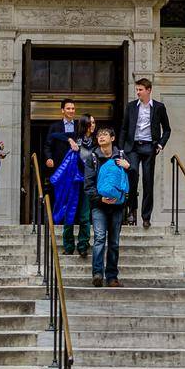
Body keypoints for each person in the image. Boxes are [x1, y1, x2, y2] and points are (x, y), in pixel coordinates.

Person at [82, 125, 131, 287]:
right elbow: (88, 185)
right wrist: (100, 199)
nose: (101, 137)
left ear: (112, 138)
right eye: (99, 135)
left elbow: (131, 181)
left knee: (114, 242)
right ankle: (97, 274)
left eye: (104, 135)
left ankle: (112, 277)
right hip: (99, 206)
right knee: (99, 239)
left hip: (117, 206)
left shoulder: (122, 156)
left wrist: (129, 167)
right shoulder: (93, 158)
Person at [120, 77, 171, 228]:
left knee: (148, 182)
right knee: (133, 174)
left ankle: (146, 217)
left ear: (149, 90)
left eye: (140, 90)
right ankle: (131, 210)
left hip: (149, 147)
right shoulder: (130, 107)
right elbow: (124, 128)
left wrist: (160, 145)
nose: (138, 92)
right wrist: (122, 149)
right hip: (133, 147)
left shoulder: (159, 107)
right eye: (137, 90)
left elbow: (167, 129)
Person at [44, 98, 82, 254]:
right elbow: (47, 145)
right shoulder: (54, 127)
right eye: (68, 108)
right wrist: (48, 158)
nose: (71, 111)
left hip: (75, 171)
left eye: (73, 108)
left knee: (74, 200)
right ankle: (56, 223)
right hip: (60, 169)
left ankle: (74, 224)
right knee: (59, 198)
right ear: (62, 110)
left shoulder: (79, 126)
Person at [74, 116, 98, 259]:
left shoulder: (97, 140)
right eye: (91, 122)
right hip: (78, 181)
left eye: (94, 122)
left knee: (88, 214)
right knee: (80, 214)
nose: (93, 125)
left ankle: (84, 244)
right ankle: (78, 244)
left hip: (93, 182)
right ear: (85, 124)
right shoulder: (76, 140)